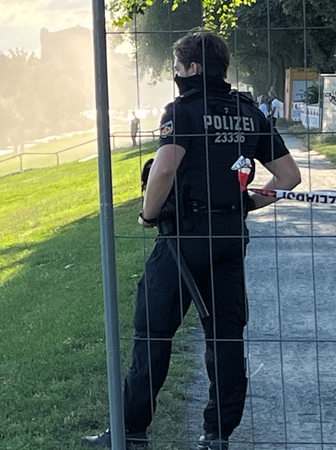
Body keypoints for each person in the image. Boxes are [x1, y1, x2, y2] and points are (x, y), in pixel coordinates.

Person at [81, 31, 301, 450]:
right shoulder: (248, 112)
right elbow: (289, 177)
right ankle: (217, 434)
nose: (176, 75)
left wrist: (147, 214)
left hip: (183, 239)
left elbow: (163, 171)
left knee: (153, 333)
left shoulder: (182, 112)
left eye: (178, 68)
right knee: (225, 336)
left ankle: (131, 431)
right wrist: (247, 203)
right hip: (229, 238)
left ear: (193, 69)